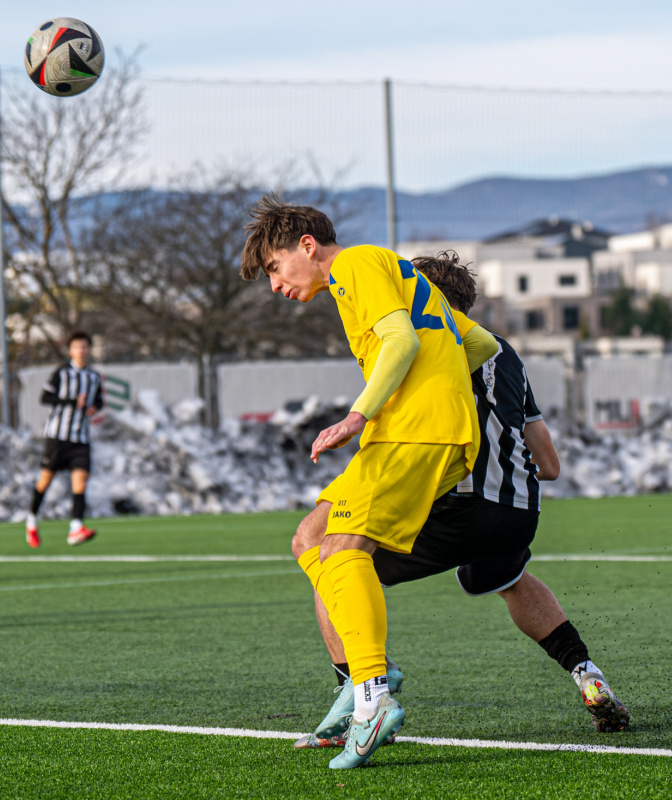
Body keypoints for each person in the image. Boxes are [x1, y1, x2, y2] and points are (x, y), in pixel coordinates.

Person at [292, 252, 629, 751]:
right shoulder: (506, 355)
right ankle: (587, 673)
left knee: (334, 556)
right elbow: (550, 463)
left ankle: (358, 695)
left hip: (456, 504)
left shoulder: (433, 351)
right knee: (510, 579)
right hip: (517, 510)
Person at [241, 196, 499, 769]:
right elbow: (482, 344)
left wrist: (359, 414)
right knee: (310, 538)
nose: (275, 285)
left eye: (275, 268)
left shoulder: (355, 264)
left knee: (343, 548)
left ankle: (372, 694)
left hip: (416, 432)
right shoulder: (390, 272)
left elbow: (401, 341)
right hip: (414, 431)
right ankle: (364, 677)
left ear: (307, 245)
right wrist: (442, 384)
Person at [26, 331, 103, 548]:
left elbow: (98, 400)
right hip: (58, 437)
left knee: (81, 480)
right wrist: (71, 401)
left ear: (89, 350)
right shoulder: (61, 373)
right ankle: (31, 520)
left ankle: (75, 527)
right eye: (78, 347)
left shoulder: (94, 377)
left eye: (85, 346)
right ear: (70, 350)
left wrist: (94, 408)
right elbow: (45, 397)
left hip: (81, 438)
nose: (82, 351)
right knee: (45, 479)